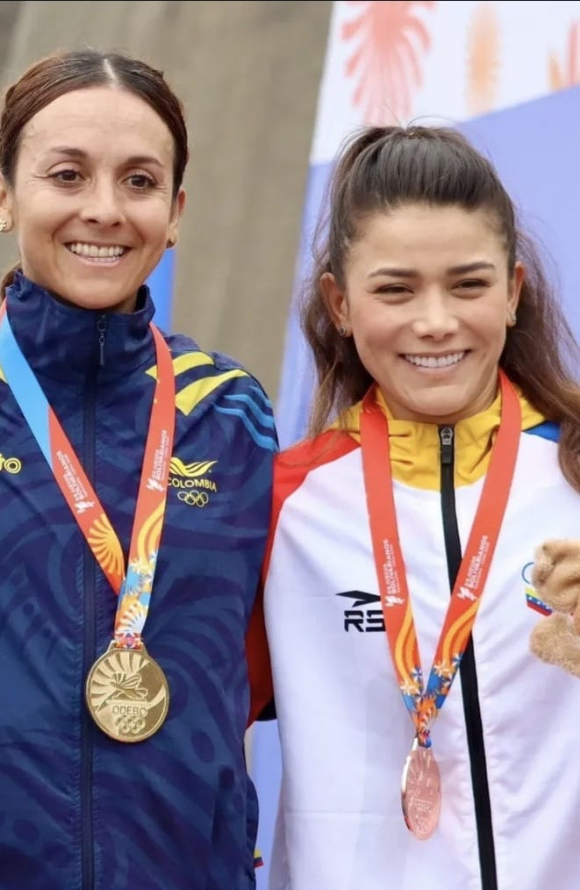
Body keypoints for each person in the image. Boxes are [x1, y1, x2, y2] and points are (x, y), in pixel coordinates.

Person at [0, 49, 277, 890]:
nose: (103, 209)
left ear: (175, 212)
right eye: (66, 175)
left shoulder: (229, 412)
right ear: (3, 196)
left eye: (139, 182)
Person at [262, 124, 580, 889]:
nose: (434, 321)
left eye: (467, 285)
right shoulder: (278, 505)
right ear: (339, 303)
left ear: (512, 292)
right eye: (394, 289)